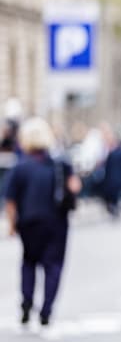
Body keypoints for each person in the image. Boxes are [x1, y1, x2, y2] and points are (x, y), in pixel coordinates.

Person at [4, 117, 81, 326]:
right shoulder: (61, 163)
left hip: (29, 223)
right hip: (56, 222)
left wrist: (12, 225)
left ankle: (27, 302)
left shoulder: (20, 167)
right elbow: (75, 186)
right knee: (53, 266)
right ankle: (46, 310)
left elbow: (10, 200)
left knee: (29, 262)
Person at [101, 126, 121, 217]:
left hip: (115, 177)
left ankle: (114, 207)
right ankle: (112, 207)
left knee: (114, 193)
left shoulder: (118, 151)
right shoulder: (108, 150)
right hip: (111, 177)